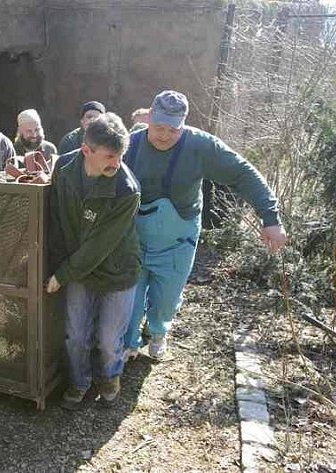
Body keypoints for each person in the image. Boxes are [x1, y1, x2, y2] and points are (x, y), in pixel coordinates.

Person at [123, 90, 287, 361]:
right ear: (148, 117)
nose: (164, 135)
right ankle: (128, 342)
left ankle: (159, 331)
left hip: (178, 237)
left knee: (166, 299)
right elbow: (90, 163)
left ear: (184, 125)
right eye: (158, 127)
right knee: (130, 295)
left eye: (172, 130)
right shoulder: (130, 145)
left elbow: (243, 173)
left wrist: (270, 218)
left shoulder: (201, 146)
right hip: (135, 236)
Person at [47, 112, 141, 408]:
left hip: (117, 269)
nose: (117, 164)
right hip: (78, 266)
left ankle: (110, 375)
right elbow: (56, 219)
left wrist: (61, 274)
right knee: (75, 334)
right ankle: (79, 381)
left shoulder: (127, 188)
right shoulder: (63, 167)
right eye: (110, 156)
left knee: (110, 339)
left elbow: (101, 244)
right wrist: (55, 264)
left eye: (121, 156)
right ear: (86, 150)